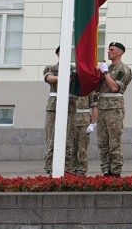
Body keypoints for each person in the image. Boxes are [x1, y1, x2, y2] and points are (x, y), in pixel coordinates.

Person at [97, 42, 132, 177]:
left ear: (119, 52)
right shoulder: (107, 68)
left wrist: (105, 72)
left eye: (111, 50)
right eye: (108, 50)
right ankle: (106, 171)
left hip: (114, 108)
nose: (108, 52)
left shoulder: (123, 69)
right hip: (102, 107)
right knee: (102, 143)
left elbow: (114, 87)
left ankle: (116, 172)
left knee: (114, 142)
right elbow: (97, 88)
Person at [42, 46, 77, 175]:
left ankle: (67, 168)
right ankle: (50, 168)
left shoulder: (74, 69)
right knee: (51, 138)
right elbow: (49, 78)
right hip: (54, 107)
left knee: (69, 139)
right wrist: (62, 78)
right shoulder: (51, 68)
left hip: (70, 107)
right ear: (57, 54)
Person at [66, 90, 97, 176]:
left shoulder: (89, 88)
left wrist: (93, 124)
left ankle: (82, 172)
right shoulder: (70, 87)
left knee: (82, 149)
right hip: (71, 122)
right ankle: (71, 171)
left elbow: (94, 106)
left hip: (84, 122)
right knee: (71, 148)